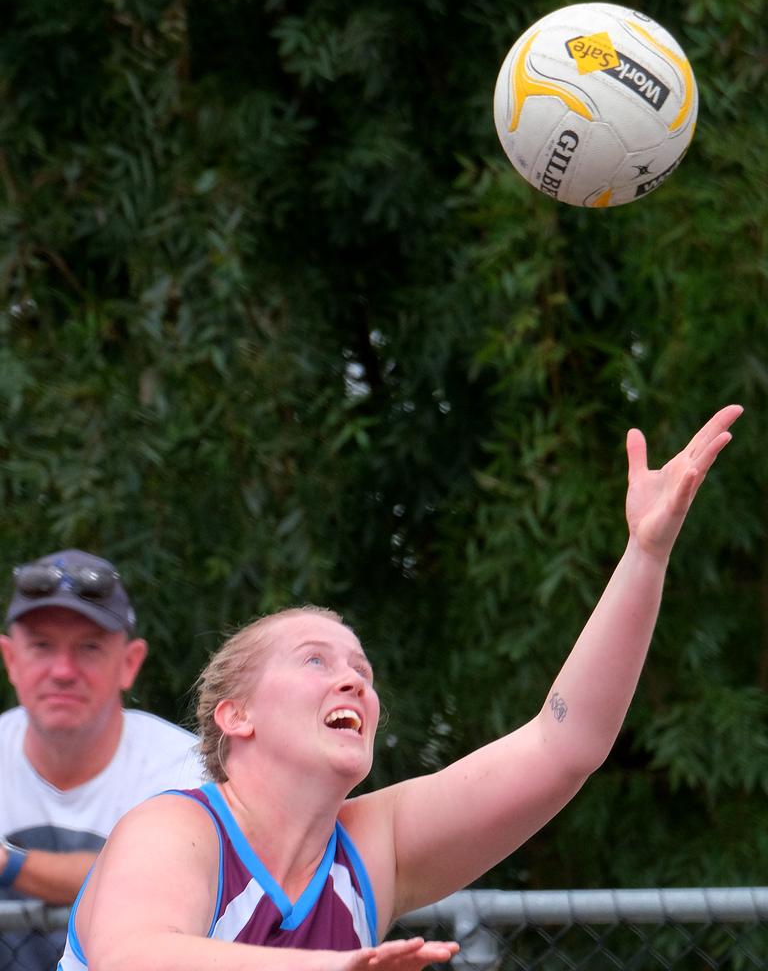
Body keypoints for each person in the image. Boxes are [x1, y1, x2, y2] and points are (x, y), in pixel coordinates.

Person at [57, 406, 741, 971]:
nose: (353, 677)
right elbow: (133, 956)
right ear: (237, 715)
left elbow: (564, 743)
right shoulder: (179, 827)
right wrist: (335, 966)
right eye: (316, 661)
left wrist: (645, 555)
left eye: (363, 669)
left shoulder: (369, 848)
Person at [0, 549, 205, 969]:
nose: (62, 670)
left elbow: (163, 886)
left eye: (89, 648)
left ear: (130, 664)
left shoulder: (188, 769)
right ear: (11, 660)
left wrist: (8, 863)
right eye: (41, 646)